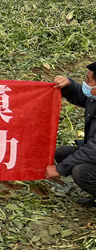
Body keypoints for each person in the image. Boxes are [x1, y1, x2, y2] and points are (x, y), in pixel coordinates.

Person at [46, 61, 96, 207]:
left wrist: (59, 169)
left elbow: (93, 149)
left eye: (88, 81)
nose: (85, 83)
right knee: (63, 153)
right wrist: (68, 85)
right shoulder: (94, 98)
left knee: (81, 172)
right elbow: (81, 95)